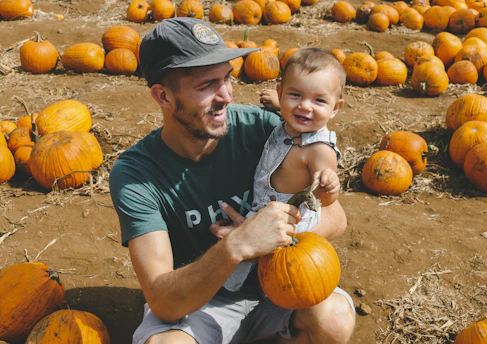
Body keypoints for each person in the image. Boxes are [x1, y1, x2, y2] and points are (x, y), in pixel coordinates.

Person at [109, 17, 355, 344]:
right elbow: (164, 301)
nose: (225, 95)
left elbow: (336, 217)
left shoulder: (264, 130)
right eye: (206, 85)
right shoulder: (136, 175)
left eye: (227, 78)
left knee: (334, 319)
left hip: (282, 286)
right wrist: (236, 246)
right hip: (202, 303)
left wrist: (269, 240)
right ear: (164, 97)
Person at [222, 47, 346, 293]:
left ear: (335, 108)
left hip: (294, 219)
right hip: (268, 207)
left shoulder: (319, 149)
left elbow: (325, 201)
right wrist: (281, 105)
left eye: (319, 100)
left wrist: (329, 183)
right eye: (295, 95)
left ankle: (253, 288)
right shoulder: (293, 122)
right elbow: (295, 113)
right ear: (281, 93)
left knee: (276, 267)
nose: (305, 107)